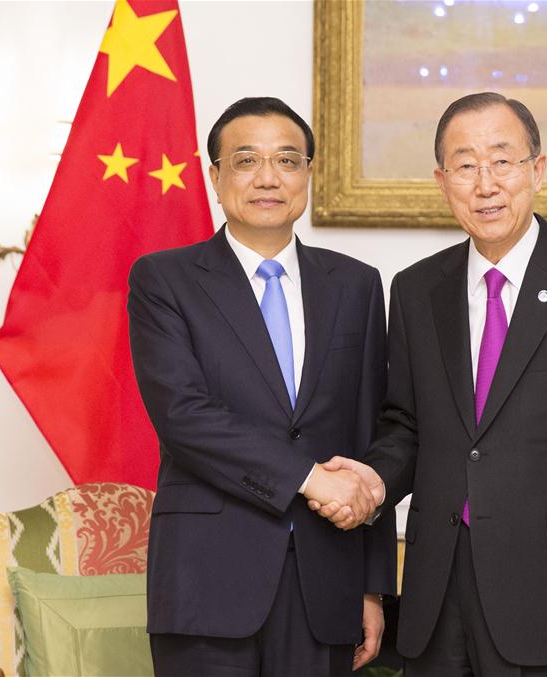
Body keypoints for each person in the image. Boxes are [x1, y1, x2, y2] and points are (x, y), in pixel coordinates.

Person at [315, 92, 547, 676]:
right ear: (441, 180)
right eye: (465, 164)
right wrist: (372, 480)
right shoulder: (416, 289)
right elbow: (406, 425)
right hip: (437, 587)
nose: (486, 184)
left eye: (502, 160)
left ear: (538, 169)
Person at [128, 97, 395, 677]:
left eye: (288, 160)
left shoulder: (357, 285)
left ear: (308, 174)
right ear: (215, 176)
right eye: (246, 160)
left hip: (326, 582)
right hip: (207, 580)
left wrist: (372, 588)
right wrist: (308, 476)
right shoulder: (164, 279)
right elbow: (184, 416)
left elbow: (369, 433)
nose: (268, 178)